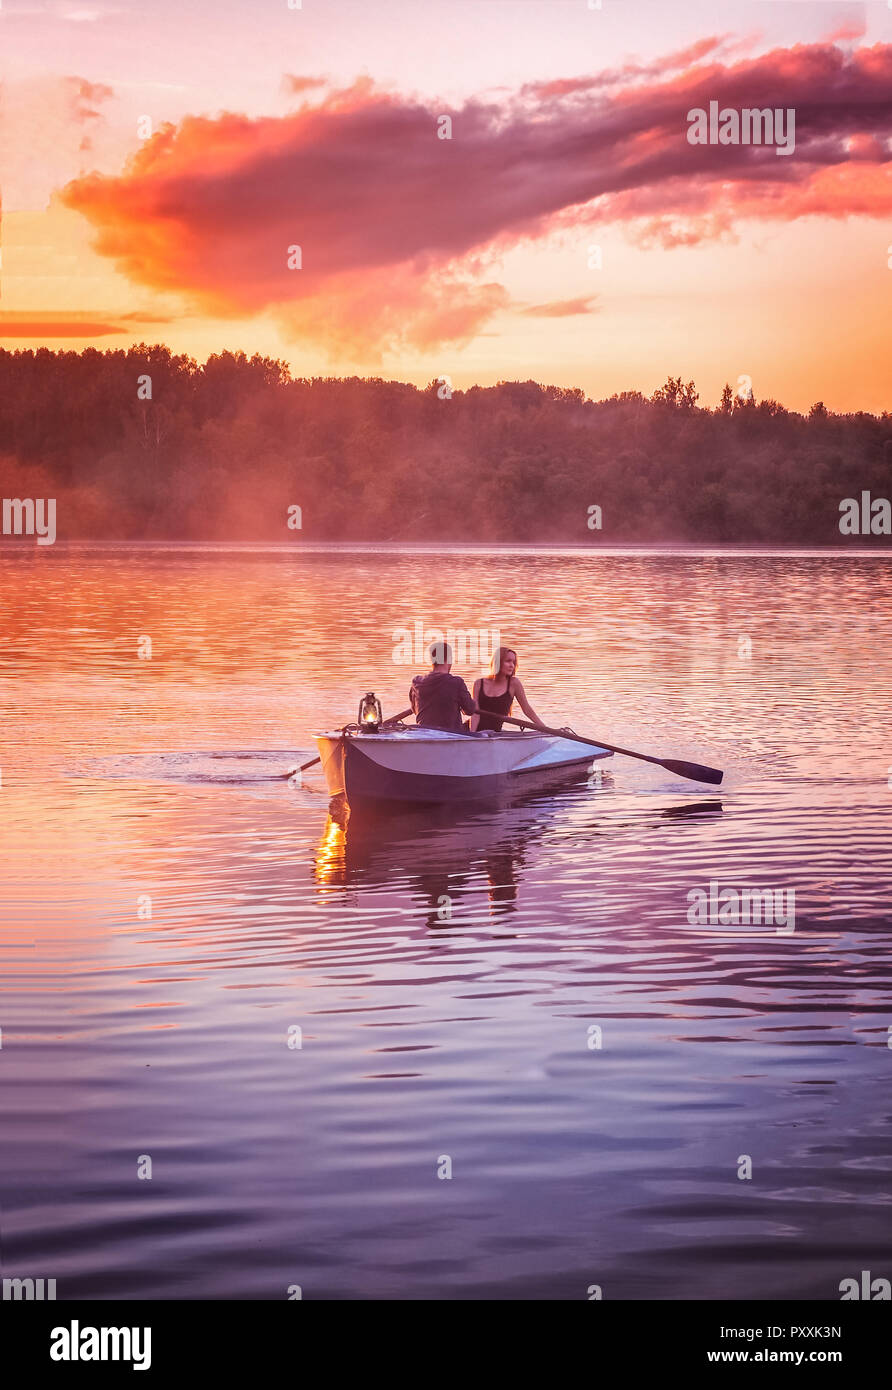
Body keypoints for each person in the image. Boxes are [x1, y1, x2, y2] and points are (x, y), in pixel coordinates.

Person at [468, 646, 571, 735]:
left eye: (514, 662)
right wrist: (472, 736)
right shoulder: (479, 683)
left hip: (494, 735)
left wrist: (546, 729)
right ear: (498, 662)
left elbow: (527, 710)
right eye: (508, 661)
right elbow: (475, 714)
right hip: (475, 733)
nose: (512, 665)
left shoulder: (514, 684)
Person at [410, 641, 478, 733]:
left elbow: (415, 710)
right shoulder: (456, 682)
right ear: (449, 659)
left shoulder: (416, 682)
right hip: (450, 734)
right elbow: (470, 710)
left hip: (423, 733)